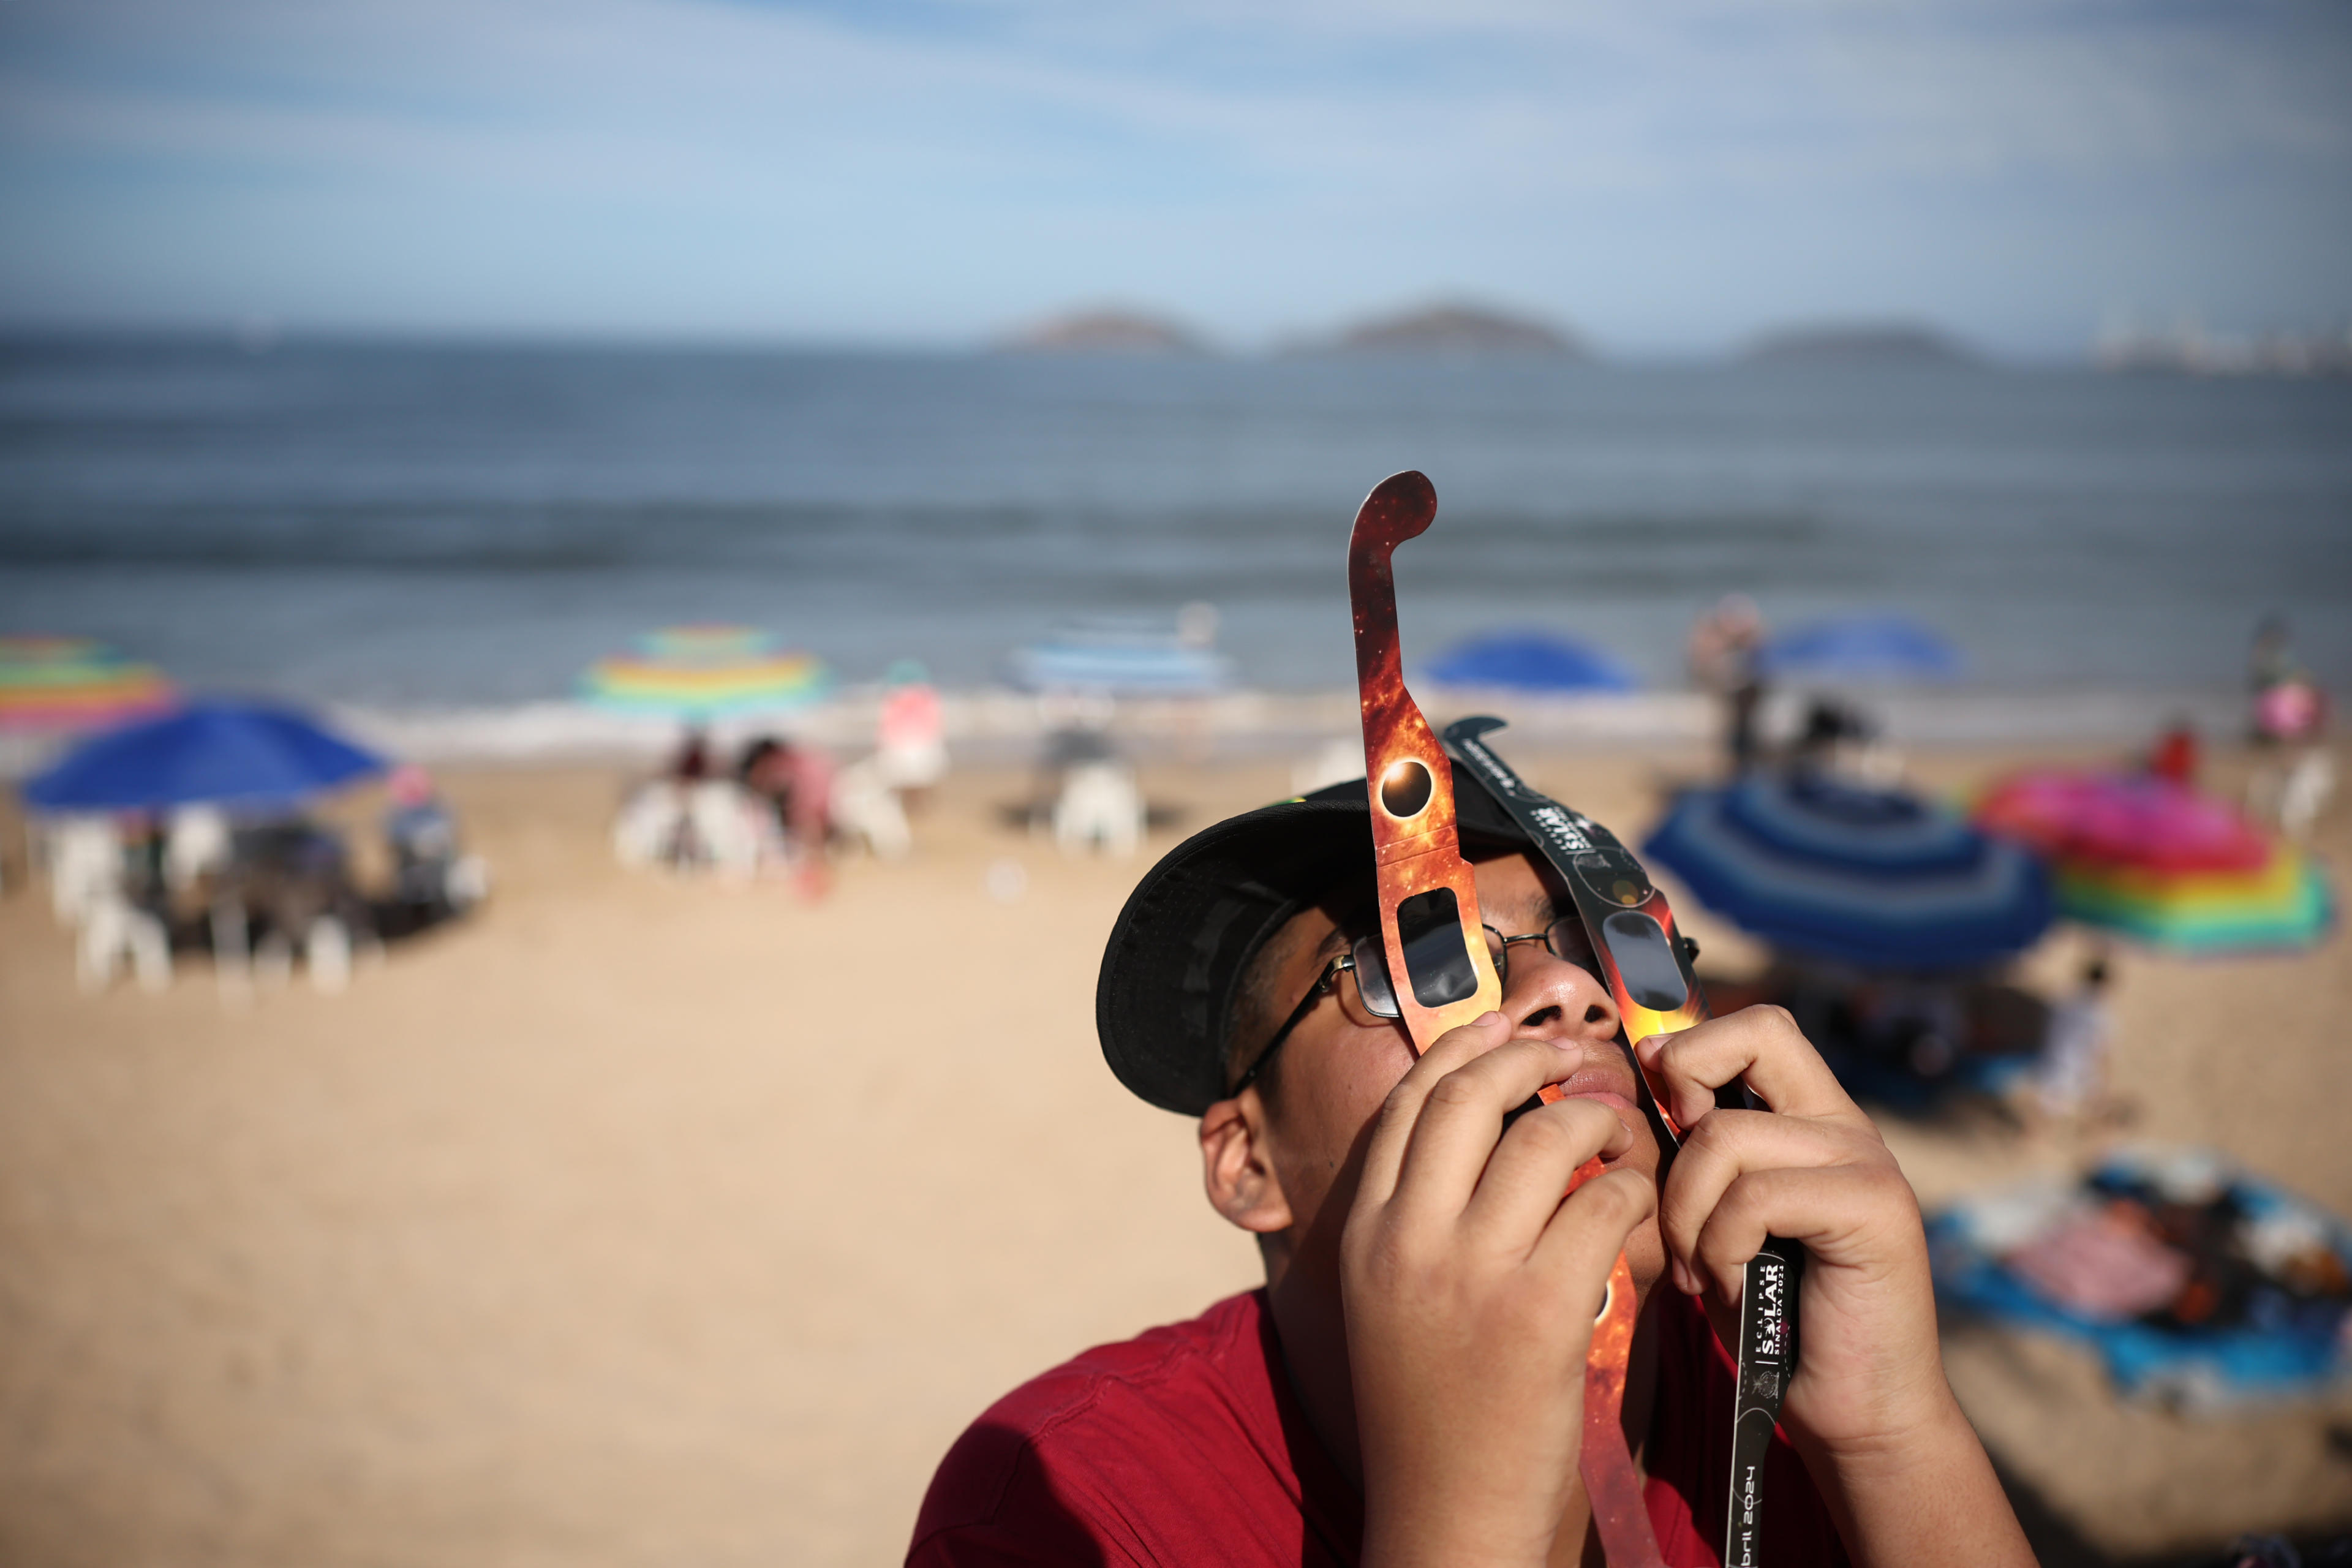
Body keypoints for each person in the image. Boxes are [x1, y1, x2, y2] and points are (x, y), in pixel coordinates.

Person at [910, 766, 2033, 1567]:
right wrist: (1470, 1521)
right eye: (1421, 960)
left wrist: (1895, 1437)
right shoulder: (1070, 1503)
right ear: (1249, 1163)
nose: (1569, 993)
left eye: (1602, 947)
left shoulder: (1791, 1395)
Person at [1688, 594, 1768, 774]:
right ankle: (1734, 764)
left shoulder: (1751, 640)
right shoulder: (1711, 638)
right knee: (1733, 731)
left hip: (1743, 697)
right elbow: (1701, 665)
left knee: (1742, 730)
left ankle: (1739, 763)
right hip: (1727, 695)